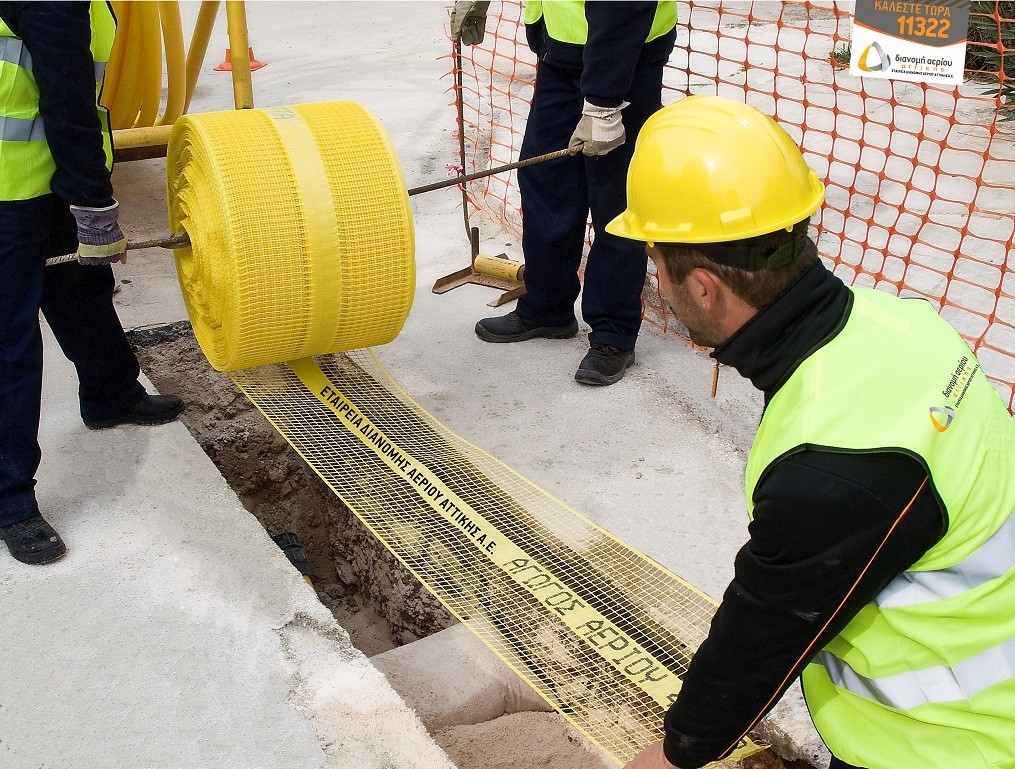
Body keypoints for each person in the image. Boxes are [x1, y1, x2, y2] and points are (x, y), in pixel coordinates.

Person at [606, 96, 1015, 769]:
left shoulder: (830, 464)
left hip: (951, 741)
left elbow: (767, 627)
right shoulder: (903, 323)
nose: (658, 283)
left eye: (658, 264)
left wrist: (677, 752)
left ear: (703, 287)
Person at [0, 1, 184, 566]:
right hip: (13, 190)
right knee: (9, 344)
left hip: (42, 176)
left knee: (81, 289)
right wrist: (93, 203)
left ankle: (110, 394)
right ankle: (10, 502)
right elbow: (67, 102)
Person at [451, 0, 677, 385]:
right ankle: (547, 307)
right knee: (545, 180)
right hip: (562, 51)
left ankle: (613, 334)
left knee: (616, 201)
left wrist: (603, 104)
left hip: (625, 54)